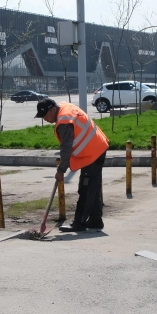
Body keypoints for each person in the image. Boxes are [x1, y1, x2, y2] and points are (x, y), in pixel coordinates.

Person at [36, 97, 109, 232]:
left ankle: (79, 222)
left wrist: (61, 170)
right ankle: (95, 220)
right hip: (97, 146)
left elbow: (66, 147)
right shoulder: (64, 107)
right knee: (93, 187)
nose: (44, 119)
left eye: (45, 115)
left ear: (53, 109)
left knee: (85, 189)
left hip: (92, 152)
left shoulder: (64, 121)